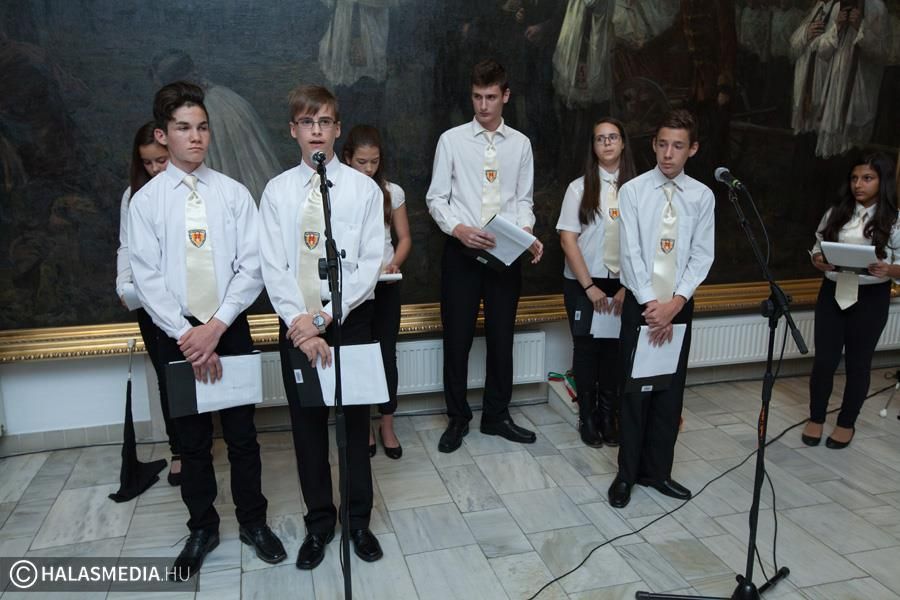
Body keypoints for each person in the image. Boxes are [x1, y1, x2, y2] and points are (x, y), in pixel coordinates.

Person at [128, 81, 286, 576]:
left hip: (228, 326)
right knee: (192, 440)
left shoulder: (233, 194)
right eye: (183, 128)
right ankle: (202, 527)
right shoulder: (146, 203)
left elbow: (252, 265)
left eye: (202, 127)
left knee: (242, 436)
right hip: (176, 334)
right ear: (163, 134)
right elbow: (147, 277)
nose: (195, 137)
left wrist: (215, 327)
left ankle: (254, 522)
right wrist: (188, 333)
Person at [259, 84, 384, 569]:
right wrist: (301, 323)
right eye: (308, 123)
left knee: (354, 425)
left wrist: (328, 316)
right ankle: (318, 524)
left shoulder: (362, 189)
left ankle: (358, 521)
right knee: (308, 430)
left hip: (348, 320)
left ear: (337, 129)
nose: (317, 131)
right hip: (297, 326)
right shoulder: (277, 191)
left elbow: (370, 262)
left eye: (325, 122)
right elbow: (274, 264)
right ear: (294, 130)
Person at [426, 59, 544, 454]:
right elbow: (436, 198)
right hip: (461, 251)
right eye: (477, 97)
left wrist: (526, 231)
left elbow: (524, 200)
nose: (483, 105)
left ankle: (496, 416)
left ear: (505, 96)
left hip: (505, 254)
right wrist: (458, 229)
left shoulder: (521, 144)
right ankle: (457, 418)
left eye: (491, 97)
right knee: (457, 339)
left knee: (501, 338)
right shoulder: (452, 140)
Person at [608, 109, 715, 509]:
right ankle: (626, 475)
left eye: (678, 146)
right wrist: (652, 304)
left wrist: (676, 303)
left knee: (669, 392)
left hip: (679, 304)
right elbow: (630, 252)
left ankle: (659, 472)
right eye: (663, 144)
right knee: (635, 392)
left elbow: (702, 255)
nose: (669, 154)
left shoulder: (702, 197)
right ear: (653, 145)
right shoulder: (633, 191)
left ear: (693, 149)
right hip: (641, 303)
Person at [804, 153, 899, 449]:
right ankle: (816, 417)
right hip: (833, 291)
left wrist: (889, 270)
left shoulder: (894, 220)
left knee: (858, 363)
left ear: (883, 182)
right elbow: (818, 246)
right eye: (854, 178)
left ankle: (846, 423)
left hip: (871, 297)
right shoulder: (836, 212)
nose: (859, 184)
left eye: (867, 178)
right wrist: (819, 260)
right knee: (824, 361)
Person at [556, 117, 636, 448]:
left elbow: (645, 242)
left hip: (624, 284)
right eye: (600, 138)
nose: (606, 143)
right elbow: (568, 240)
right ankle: (587, 417)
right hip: (583, 282)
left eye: (612, 137)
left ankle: (608, 416)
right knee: (587, 350)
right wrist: (589, 288)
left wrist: (627, 287)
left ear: (623, 143)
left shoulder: (638, 188)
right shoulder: (578, 188)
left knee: (615, 351)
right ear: (593, 146)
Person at [115, 121, 181, 485]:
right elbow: (126, 245)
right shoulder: (134, 196)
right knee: (166, 377)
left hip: (186, 300)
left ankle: (200, 445)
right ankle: (179, 450)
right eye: (148, 163)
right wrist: (122, 283)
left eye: (160, 160)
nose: (155, 168)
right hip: (150, 302)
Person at [341, 124, 411, 460]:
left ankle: (387, 424)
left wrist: (394, 263)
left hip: (385, 286)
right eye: (362, 162)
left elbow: (404, 238)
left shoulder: (391, 192)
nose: (368, 168)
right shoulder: (339, 193)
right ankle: (364, 425)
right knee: (359, 357)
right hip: (354, 290)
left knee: (386, 356)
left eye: (374, 162)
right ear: (347, 159)